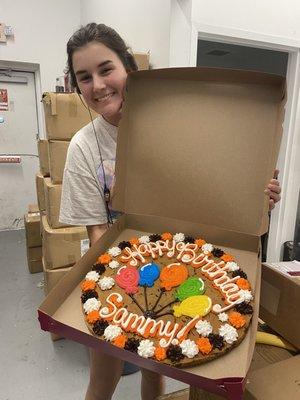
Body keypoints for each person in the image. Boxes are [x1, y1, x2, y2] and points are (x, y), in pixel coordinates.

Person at [59, 23, 281, 400]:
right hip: (116, 275)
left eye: (106, 68)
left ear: (130, 68)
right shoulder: (84, 147)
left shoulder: (179, 121)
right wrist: (132, 287)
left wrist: (256, 196)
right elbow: (97, 233)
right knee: (102, 379)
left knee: (154, 369)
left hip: (180, 261)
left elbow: (210, 190)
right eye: (84, 77)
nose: (97, 85)